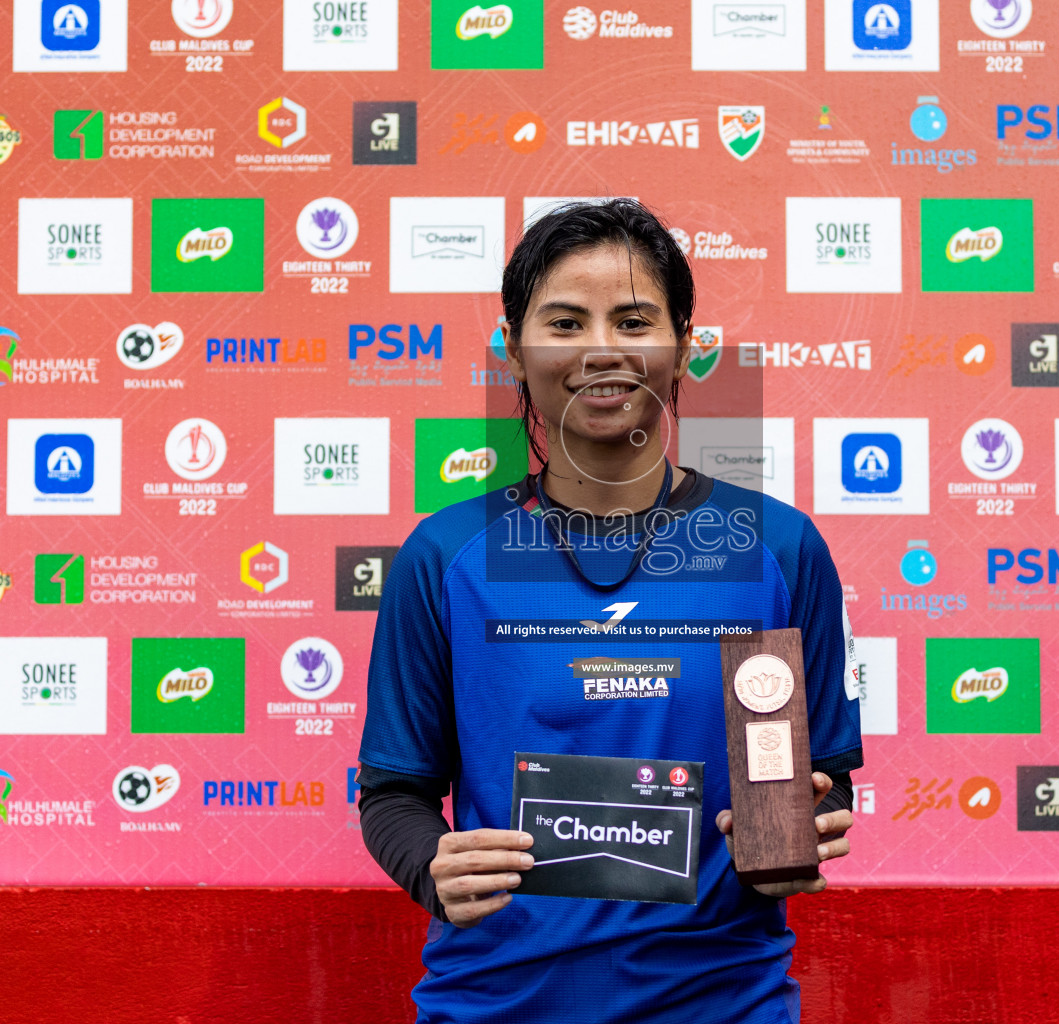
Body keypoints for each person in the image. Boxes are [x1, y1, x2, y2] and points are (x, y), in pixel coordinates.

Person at [356, 198, 863, 1023]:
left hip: (721, 1004)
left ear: (683, 349)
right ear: (515, 353)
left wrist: (799, 833)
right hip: (496, 1003)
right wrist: (430, 868)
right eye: (564, 322)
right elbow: (392, 793)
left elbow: (821, 782)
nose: (601, 350)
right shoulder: (446, 556)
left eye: (634, 321)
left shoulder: (777, 548)